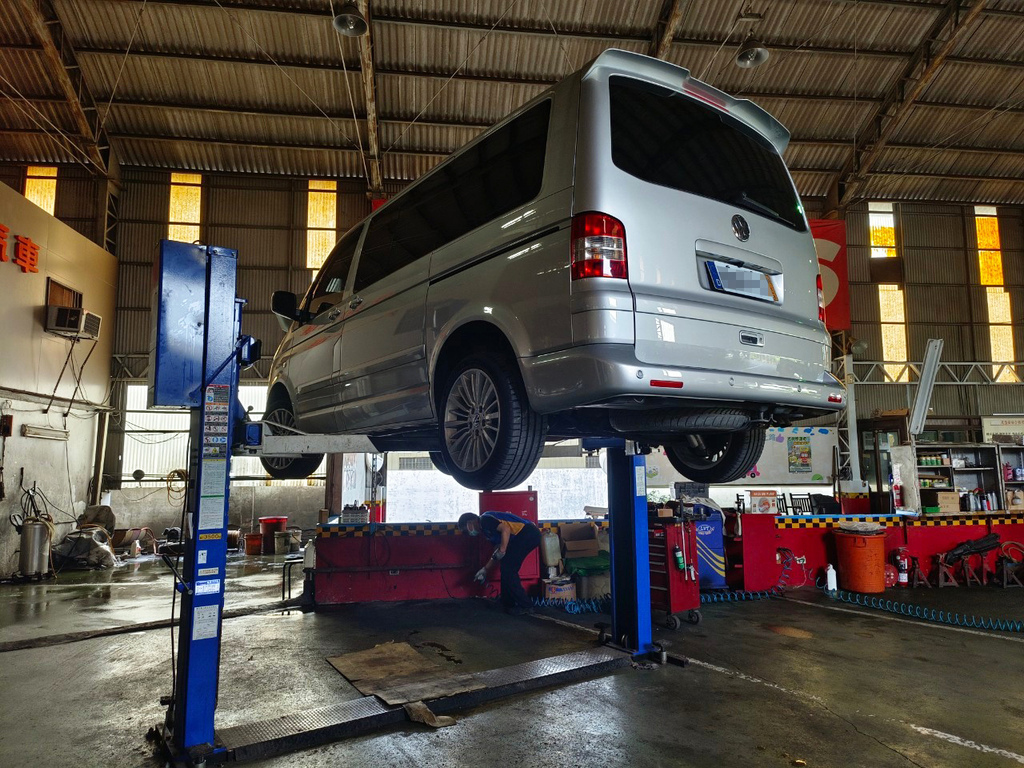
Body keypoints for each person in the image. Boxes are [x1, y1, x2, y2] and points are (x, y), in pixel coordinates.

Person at [458, 510, 541, 615]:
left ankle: (526, 606)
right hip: (523, 537)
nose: (469, 533)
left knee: (508, 570)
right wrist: (485, 569)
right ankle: (507, 602)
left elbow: (505, 529)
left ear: (470, 523)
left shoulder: (484, 520)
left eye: (466, 530)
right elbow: (497, 552)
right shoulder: (486, 532)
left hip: (528, 534)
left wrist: (502, 550)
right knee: (506, 568)